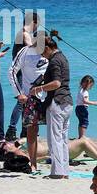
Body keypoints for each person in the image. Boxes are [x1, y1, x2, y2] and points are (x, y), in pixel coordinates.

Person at [30, 32, 73, 179]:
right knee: (63, 139)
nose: (42, 56)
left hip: (57, 102)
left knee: (54, 139)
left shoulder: (54, 61)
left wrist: (38, 89)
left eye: (42, 52)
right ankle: (64, 171)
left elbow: (56, 83)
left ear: (47, 48)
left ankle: (57, 172)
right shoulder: (63, 57)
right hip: (67, 102)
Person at [9, 23, 49, 167]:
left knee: (53, 131)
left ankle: (58, 162)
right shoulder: (25, 51)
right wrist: (19, 93)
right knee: (31, 131)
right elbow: (12, 72)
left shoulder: (48, 53)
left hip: (48, 97)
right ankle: (33, 164)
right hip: (30, 98)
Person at [6, 11, 40, 141]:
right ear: (34, 22)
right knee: (22, 101)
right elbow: (33, 50)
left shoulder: (22, 33)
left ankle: (24, 130)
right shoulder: (25, 34)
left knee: (25, 102)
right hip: (20, 72)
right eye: (37, 24)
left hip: (22, 71)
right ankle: (12, 128)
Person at [0, 135, 97, 167]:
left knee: (85, 139)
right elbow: (32, 161)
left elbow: (30, 138)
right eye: (5, 145)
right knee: (83, 142)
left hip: (56, 147)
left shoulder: (20, 147)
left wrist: (20, 142)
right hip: (55, 152)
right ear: (6, 152)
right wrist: (45, 158)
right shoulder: (18, 156)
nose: (8, 143)